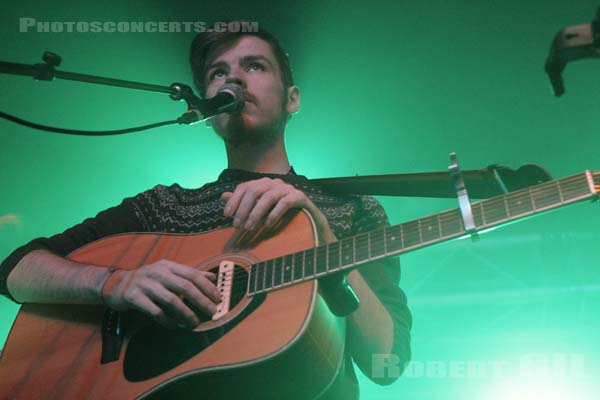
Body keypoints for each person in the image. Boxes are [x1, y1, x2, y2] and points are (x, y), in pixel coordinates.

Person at [0, 24, 412, 399]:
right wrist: (114, 284)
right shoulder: (166, 207)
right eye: (218, 72)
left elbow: (387, 361)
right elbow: (17, 269)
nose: (232, 78)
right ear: (207, 110)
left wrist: (324, 237)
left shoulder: (351, 210)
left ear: (292, 98)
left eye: (255, 66)